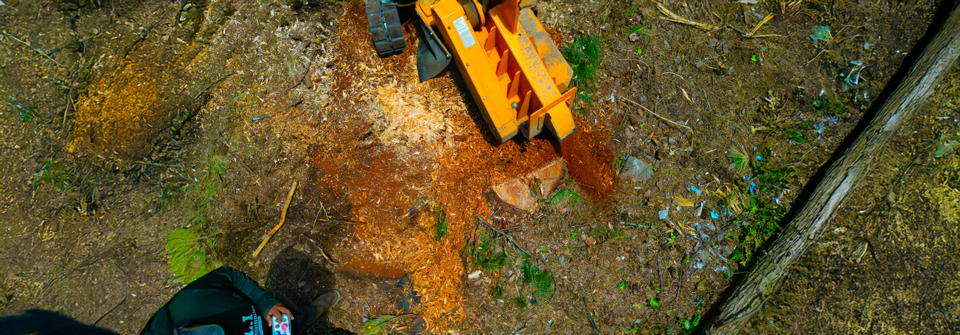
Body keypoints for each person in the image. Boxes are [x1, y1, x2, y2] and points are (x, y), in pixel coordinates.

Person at [140, 266, 340, 335]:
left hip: (269, 319)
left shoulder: (192, 301)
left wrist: (265, 302)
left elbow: (229, 275)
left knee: (291, 314)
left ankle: (310, 313)